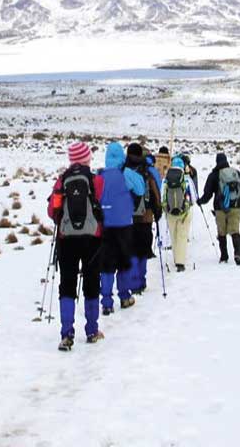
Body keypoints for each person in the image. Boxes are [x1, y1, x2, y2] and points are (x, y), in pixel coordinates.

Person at [47, 142, 105, 351]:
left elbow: (52, 211)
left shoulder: (61, 181)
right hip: (93, 239)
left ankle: (67, 333)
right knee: (91, 283)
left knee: (67, 284)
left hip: (66, 239)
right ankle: (91, 330)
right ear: (87, 158)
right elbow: (101, 205)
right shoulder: (96, 180)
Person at [98, 142, 146, 314]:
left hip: (105, 226)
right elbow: (141, 190)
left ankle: (106, 302)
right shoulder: (126, 174)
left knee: (107, 265)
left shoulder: (100, 176)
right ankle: (125, 296)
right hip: (125, 224)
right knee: (124, 262)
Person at [198, 153, 240, 265]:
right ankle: (237, 254)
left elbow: (208, 194)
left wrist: (200, 201)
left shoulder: (214, 175)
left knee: (222, 232)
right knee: (235, 231)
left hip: (220, 208)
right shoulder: (236, 173)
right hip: (235, 206)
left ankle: (224, 256)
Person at [125, 143, 162, 294]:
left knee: (132, 251)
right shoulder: (147, 173)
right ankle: (141, 280)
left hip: (128, 218)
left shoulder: (124, 170)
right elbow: (155, 194)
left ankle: (133, 282)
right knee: (142, 251)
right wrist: (157, 211)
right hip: (146, 217)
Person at [163, 156, 195, 272]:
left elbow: (163, 196)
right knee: (182, 236)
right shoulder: (186, 179)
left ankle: (176, 258)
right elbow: (194, 198)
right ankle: (180, 263)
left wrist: (165, 208)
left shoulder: (166, 179)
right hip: (184, 212)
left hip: (170, 212)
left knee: (173, 235)